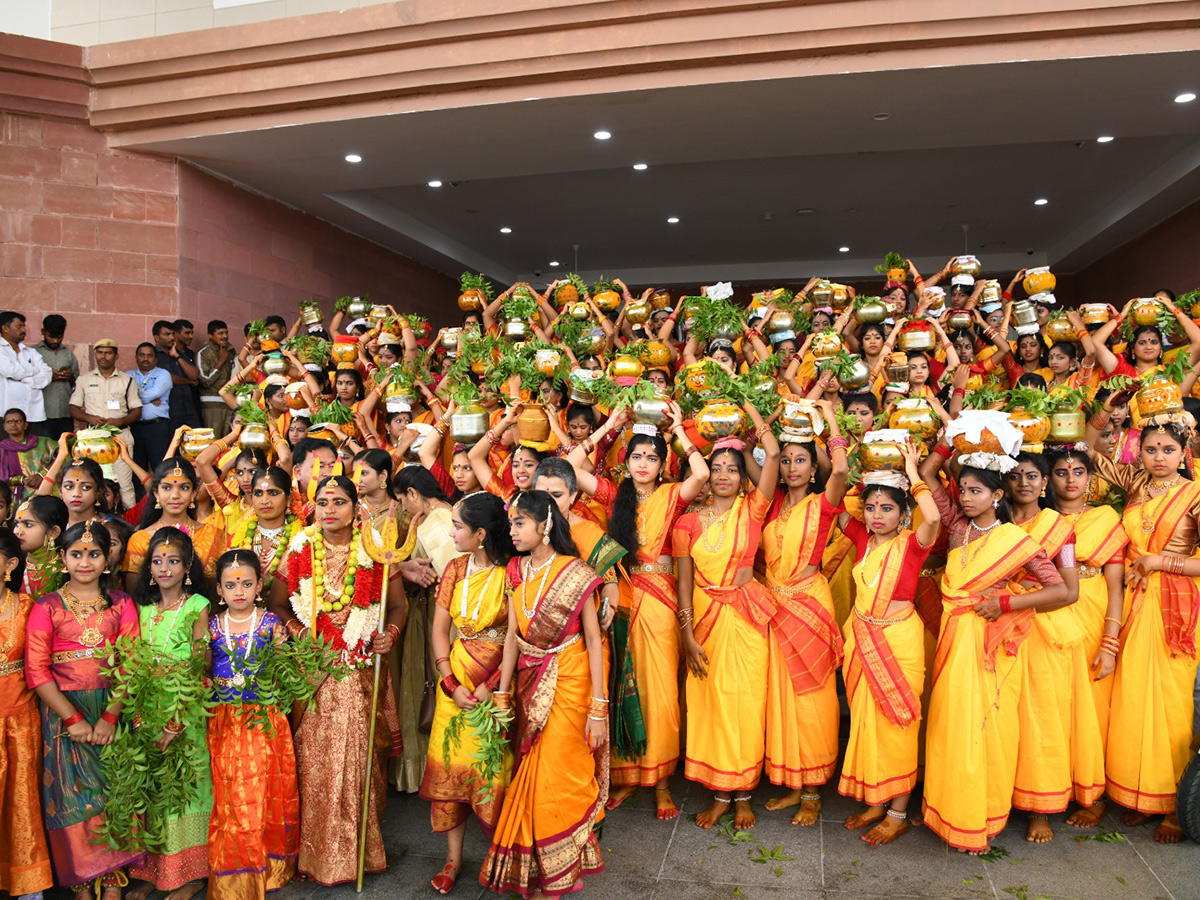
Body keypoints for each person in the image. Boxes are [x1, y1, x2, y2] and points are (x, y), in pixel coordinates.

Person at [918, 428, 1070, 854]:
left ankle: (978, 818)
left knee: (984, 727)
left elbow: (1063, 592)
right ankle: (946, 809)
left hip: (988, 643)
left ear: (997, 496)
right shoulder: (956, 525)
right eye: (963, 489)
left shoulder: (1016, 542)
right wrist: (955, 435)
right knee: (950, 721)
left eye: (976, 491)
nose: (965, 498)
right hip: (954, 636)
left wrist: (1004, 604)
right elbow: (932, 474)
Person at [268, 476, 407, 886]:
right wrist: (298, 630)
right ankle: (313, 856)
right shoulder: (299, 549)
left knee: (360, 763)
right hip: (312, 671)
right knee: (313, 765)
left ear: (355, 506)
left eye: (340, 501)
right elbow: (277, 604)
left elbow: (398, 606)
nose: (330, 509)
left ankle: (357, 851)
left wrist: (390, 635)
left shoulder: (377, 551)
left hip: (361, 669)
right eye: (323, 502)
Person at [573, 407, 709, 818]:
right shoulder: (615, 497)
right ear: (625, 461)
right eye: (637, 457)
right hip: (624, 598)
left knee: (661, 692)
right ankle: (627, 778)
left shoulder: (671, 495)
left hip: (661, 603)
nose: (644, 464)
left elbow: (700, 476)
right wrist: (610, 427)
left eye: (653, 457)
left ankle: (662, 782)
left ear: (664, 462)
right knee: (621, 684)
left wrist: (680, 430)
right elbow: (569, 470)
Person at [479, 490, 608, 898]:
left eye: (520, 523)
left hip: (571, 682)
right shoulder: (516, 571)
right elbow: (514, 639)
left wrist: (598, 709)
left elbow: (593, 640)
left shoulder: (577, 573)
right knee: (532, 777)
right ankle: (539, 871)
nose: (512, 531)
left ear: (545, 526)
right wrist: (502, 694)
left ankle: (558, 875)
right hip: (529, 682)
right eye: (511, 523)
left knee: (558, 775)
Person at [1084, 396, 1200, 843]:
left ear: (1182, 453)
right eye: (1150, 449)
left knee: (1170, 704)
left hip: (1175, 607)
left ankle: (1172, 803)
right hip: (1131, 602)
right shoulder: (1134, 483)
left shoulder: (1194, 495)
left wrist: (1158, 563)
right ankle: (1137, 795)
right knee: (1130, 699)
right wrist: (1102, 413)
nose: (1158, 458)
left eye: (1168, 450)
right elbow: (1088, 452)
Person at [675, 402, 781, 831]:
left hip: (747, 618)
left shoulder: (753, 509)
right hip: (703, 620)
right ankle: (720, 794)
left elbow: (771, 457)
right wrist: (686, 636)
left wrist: (753, 416)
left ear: (743, 476)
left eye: (732, 469)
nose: (722, 475)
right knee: (712, 707)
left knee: (747, 705)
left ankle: (744, 795)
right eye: (716, 468)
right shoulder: (686, 523)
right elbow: (683, 582)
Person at [25, 519, 142, 900]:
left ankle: (112, 879)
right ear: (63, 558)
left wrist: (110, 716)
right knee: (71, 796)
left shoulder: (121, 603)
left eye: (94, 554)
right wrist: (72, 718)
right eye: (76, 554)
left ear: (107, 560)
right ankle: (80, 881)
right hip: (64, 713)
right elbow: (36, 669)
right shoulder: (48, 607)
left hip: (112, 707)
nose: (85, 562)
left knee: (112, 791)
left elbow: (133, 661)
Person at [835, 440, 939, 846]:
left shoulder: (913, 544)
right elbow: (837, 497)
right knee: (865, 722)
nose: (877, 515)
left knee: (898, 724)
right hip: (861, 637)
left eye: (888, 508)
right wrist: (864, 460)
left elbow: (931, 515)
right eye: (872, 507)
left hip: (898, 642)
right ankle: (877, 801)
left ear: (903, 513)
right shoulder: (862, 537)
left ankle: (897, 812)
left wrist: (913, 476)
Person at [420, 492, 515, 895]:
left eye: (458, 526)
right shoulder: (455, 569)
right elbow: (439, 629)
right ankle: (453, 858)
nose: (451, 531)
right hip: (454, 684)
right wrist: (449, 682)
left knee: (490, 771)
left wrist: (491, 686)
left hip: (495, 687)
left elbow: (515, 635)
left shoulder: (513, 571)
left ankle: (500, 854)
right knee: (449, 774)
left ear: (480, 534)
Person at [124, 528, 212, 900]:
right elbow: (130, 662)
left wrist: (176, 721)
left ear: (188, 566)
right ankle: (152, 871)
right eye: (157, 561)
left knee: (186, 787)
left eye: (173, 561)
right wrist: (140, 714)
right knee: (153, 786)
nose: (164, 568)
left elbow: (200, 665)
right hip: (147, 705)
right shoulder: (141, 608)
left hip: (185, 708)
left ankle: (191, 876)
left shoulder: (197, 606)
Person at [206, 550, 299, 900]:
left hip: (264, 721)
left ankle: (269, 866)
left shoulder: (271, 624)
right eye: (231, 585)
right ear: (219, 590)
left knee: (262, 793)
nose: (239, 591)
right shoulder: (213, 627)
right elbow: (202, 671)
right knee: (230, 796)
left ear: (260, 585)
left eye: (246, 584)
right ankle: (235, 872)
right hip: (225, 722)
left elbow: (284, 670)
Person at [1046, 446, 1128, 829]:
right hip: (1049, 612)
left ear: (1092, 478)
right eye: (1061, 472)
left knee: (1091, 706)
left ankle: (1091, 795)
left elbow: (1116, 587)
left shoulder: (1105, 518)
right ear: (1049, 478)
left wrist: (1110, 644)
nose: (1071, 479)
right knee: (1052, 703)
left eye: (1079, 471)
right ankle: (1049, 788)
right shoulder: (1039, 519)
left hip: (1092, 611)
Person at [389, 465, 454, 794]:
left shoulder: (437, 522)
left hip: (439, 618)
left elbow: (450, 575)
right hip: (429, 613)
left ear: (413, 493)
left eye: (402, 501)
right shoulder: (443, 515)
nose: (402, 509)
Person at [0, 526, 54, 900]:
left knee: (22, 805)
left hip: (20, 719)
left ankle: (26, 886)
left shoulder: (26, 607)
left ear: (10, 565)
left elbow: (39, 666)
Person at [69, 339, 142, 509]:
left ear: (116, 356)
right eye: (100, 352)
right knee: (88, 482)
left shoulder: (127, 380)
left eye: (108, 353)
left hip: (119, 437)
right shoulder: (84, 379)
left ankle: (129, 524)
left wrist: (120, 421)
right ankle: (89, 522)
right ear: (95, 355)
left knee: (124, 484)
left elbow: (137, 411)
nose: (103, 356)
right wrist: (89, 418)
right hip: (92, 440)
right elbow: (73, 408)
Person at [0, 312, 52, 431]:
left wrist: (28, 380)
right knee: (7, 449)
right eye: (19, 326)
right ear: (5, 328)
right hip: (6, 416)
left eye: (24, 326)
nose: (24, 330)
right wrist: (34, 370)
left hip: (33, 414)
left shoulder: (30, 352)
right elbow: (10, 371)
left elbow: (47, 374)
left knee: (34, 448)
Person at [32, 314, 79, 442]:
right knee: (45, 453)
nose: (55, 341)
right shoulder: (32, 352)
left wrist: (70, 377)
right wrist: (49, 376)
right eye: (51, 337)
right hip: (42, 414)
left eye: (59, 337)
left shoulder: (68, 354)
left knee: (66, 451)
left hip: (65, 413)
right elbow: (27, 381)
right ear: (43, 332)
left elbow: (78, 384)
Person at [128, 342, 173, 471]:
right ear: (136, 357)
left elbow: (152, 393)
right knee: (136, 468)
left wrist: (136, 397)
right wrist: (149, 399)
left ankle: (160, 491)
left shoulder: (163, 374)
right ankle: (139, 492)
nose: (145, 359)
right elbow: (122, 398)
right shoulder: (128, 375)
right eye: (142, 355)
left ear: (156, 358)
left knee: (160, 467)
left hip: (156, 427)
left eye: (150, 355)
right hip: (134, 427)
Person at [12, 496, 67, 599]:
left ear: (53, 532)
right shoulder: (9, 568)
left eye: (28, 525)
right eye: (16, 524)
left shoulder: (67, 571)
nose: (17, 532)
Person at [0, 408, 55, 506]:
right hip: (15, 498)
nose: (13, 424)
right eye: (9, 422)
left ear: (25, 425)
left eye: (18, 421)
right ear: (4, 426)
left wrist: (41, 475)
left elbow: (62, 458)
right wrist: (20, 480)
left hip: (46, 492)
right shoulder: (2, 449)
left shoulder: (44, 442)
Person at [153, 321, 200, 432]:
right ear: (156, 337)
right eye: (167, 335)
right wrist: (188, 381)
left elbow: (195, 375)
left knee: (196, 442)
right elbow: (168, 379)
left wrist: (177, 356)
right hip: (170, 411)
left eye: (172, 334)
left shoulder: (178, 353)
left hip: (188, 408)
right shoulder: (153, 355)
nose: (171, 338)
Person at [197, 320, 235, 436]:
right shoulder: (203, 352)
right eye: (220, 333)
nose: (225, 336)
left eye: (226, 333)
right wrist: (221, 361)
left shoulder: (230, 350)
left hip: (229, 404)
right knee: (213, 443)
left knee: (227, 444)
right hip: (212, 406)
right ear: (210, 336)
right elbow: (205, 380)